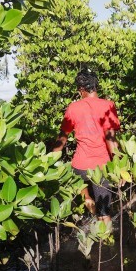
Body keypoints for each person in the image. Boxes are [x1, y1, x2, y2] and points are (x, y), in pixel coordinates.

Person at [52, 69, 120, 226]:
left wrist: (49, 160)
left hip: (80, 167)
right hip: (101, 167)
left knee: (86, 197)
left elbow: (62, 139)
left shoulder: (73, 108)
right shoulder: (108, 105)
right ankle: (105, 237)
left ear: (81, 89)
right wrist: (118, 166)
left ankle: (90, 209)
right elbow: (111, 139)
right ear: (96, 86)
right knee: (105, 212)